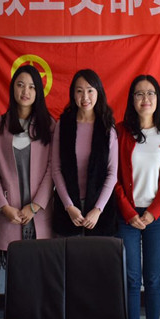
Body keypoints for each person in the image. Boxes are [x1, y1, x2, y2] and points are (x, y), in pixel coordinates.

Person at [114, 75, 160, 319]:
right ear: (132, 99)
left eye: (150, 93)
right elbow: (113, 177)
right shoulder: (120, 131)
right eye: (139, 93)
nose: (145, 98)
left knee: (153, 279)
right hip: (127, 217)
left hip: (157, 217)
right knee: (131, 279)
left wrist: (154, 212)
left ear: (158, 98)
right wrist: (129, 212)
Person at [0, 64, 55, 269]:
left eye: (32, 87)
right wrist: (3, 206)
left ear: (38, 92)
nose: (26, 91)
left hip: (40, 213)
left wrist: (35, 206)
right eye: (20, 85)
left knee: (42, 273)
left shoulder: (49, 125)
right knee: (15, 275)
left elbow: (52, 169)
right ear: (12, 88)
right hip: (10, 213)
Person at [51, 69, 118, 237]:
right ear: (73, 94)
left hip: (100, 210)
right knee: (67, 253)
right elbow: (56, 169)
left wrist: (98, 209)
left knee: (96, 254)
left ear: (98, 92)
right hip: (67, 208)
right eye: (79, 91)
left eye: (90, 90)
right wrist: (69, 206)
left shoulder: (107, 127)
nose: (85, 97)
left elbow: (112, 173)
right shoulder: (63, 124)